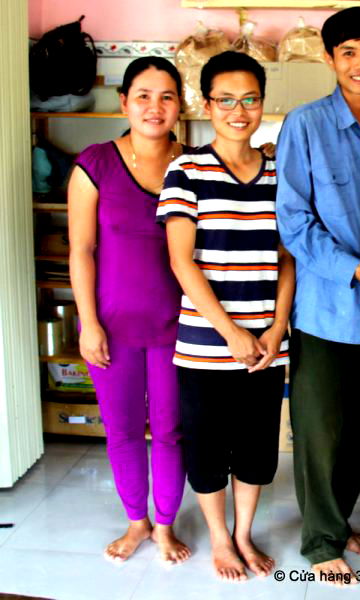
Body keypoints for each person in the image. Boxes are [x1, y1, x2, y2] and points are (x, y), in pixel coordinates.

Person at [275, 6, 360, 585]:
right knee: (319, 432)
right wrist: (356, 270)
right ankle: (320, 541)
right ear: (331, 59)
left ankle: (334, 519)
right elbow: (294, 222)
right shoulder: (304, 126)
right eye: (349, 52)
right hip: (326, 308)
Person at [156, 51, 295, 582]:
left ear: (262, 103)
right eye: (226, 100)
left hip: (266, 343)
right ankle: (219, 537)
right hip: (206, 344)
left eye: (250, 99)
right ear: (207, 105)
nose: (239, 111)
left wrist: (277, 328)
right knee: (209, 448)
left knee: (259, 449)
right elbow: (180, 260)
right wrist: (232, 332)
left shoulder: (279, 174)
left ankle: (243, 533)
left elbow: (287, 257)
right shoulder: (186, 169)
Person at [68, 56, 190, 565]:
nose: (154, 107)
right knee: (120, 429)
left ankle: (164, 525)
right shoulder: (93, 164)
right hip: (111, 327)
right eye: (143, 95)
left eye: (166, 96)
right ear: (123, 102)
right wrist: (88, 323)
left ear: (180, 106)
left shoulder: (196, 163)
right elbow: (81, 250)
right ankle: (135, 521)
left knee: (170, 429)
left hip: (180, 327)